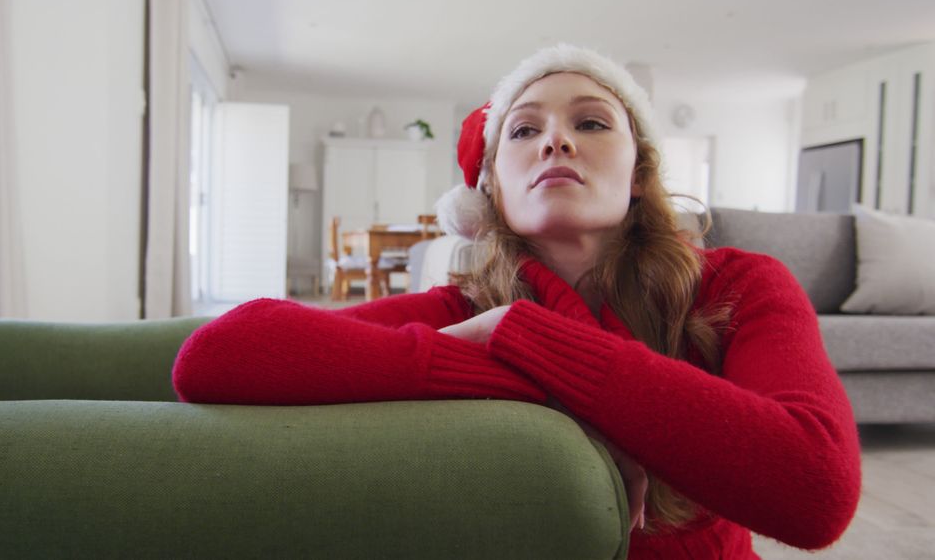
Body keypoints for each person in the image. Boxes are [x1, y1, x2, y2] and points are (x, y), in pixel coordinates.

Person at [173, 44, 861, 558]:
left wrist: (522, 336)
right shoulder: (462, 310)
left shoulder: (739, 285)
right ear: (492, 186)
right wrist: (523, 360)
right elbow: (217, 354)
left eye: (591, 123)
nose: (555, 140)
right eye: (523, 131)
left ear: (639, 171)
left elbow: (818, 493)